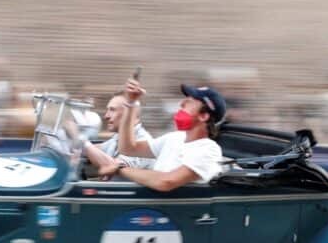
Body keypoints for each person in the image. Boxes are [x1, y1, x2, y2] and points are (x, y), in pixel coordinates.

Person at [97, 79, 229, 191]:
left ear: (203, 116)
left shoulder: (208, 150)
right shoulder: (175, 137)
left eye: (189, 102)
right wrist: (131, 104)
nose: (181, 104)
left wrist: (119, 169)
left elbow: (166, 182)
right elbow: (128, 148)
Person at [82, 92, 155, 171]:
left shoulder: (142, 142)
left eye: (112, 110)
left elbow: (111, 167)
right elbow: (96, 149)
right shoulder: (117, 138)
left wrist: (81, 139)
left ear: (130, 114)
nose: (106, 116)